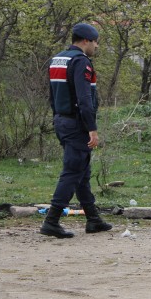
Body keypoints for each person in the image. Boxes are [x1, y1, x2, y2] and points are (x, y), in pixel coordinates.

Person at [40, 23, 112, 238]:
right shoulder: (81, 62)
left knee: (82, 172)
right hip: (76, 124)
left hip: (61, 120)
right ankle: (51, 221)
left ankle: (93, 219)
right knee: (72, 172)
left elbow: (52, 95)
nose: (96, 46)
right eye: (95, 42)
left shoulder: (58, 59)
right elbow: (84, 99)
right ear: (86, 40)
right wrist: (92, 128)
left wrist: (58, 117)